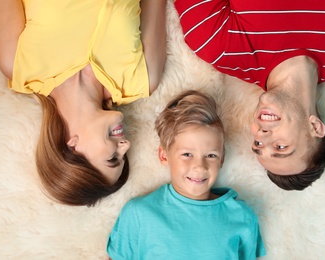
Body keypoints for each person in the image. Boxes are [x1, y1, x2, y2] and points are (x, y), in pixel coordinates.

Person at [174, 0, 325, 190]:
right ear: (315, 127)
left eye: (257, 145)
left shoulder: (217, 47)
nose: (261, 135)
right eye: (280, 147)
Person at [0, 0, 166, 206]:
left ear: (72, 147)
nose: (125, 145)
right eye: (124, 156)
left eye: (113, 158)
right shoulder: (143, 78)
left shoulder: (18, 65)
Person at [106, 90, 266, 259]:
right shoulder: (138, 214)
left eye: (211, 155)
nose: (199, 167)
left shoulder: (242, 216)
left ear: (222, 159)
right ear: (164, 155)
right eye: (187, 154)